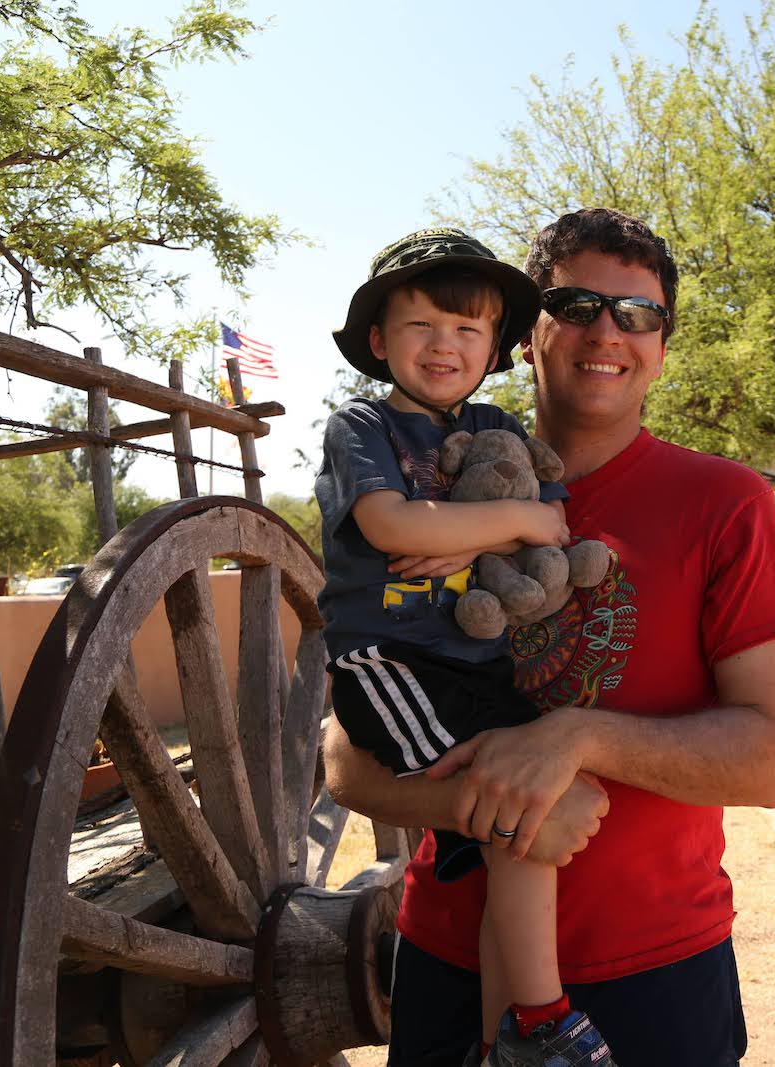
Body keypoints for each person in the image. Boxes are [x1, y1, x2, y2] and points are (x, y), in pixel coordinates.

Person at [324, 207, 775, 1067]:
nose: (608, 331)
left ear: (662, 345)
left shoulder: (727, 503)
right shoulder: (424, 485)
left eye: (638, 313)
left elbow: (770, 761)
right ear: (529, 335)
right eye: (579, 303)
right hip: (448, 953)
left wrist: (574, 738)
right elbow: (347, 761)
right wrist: (500, 811)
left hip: (658, 968)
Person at [317, 227, 615, 1067]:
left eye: (468, 330)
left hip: (478, 665)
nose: (444, 345)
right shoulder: (362, 425)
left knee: (522, 822)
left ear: (495, 346)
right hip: (395, 665)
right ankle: (545, 1018)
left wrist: (484, 530)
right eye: (421, 327)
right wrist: (498, 524)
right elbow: (389, 522)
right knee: (526, 815)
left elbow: (551, 522)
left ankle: (503, 1040)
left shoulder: (495, 426)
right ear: (379, 340)